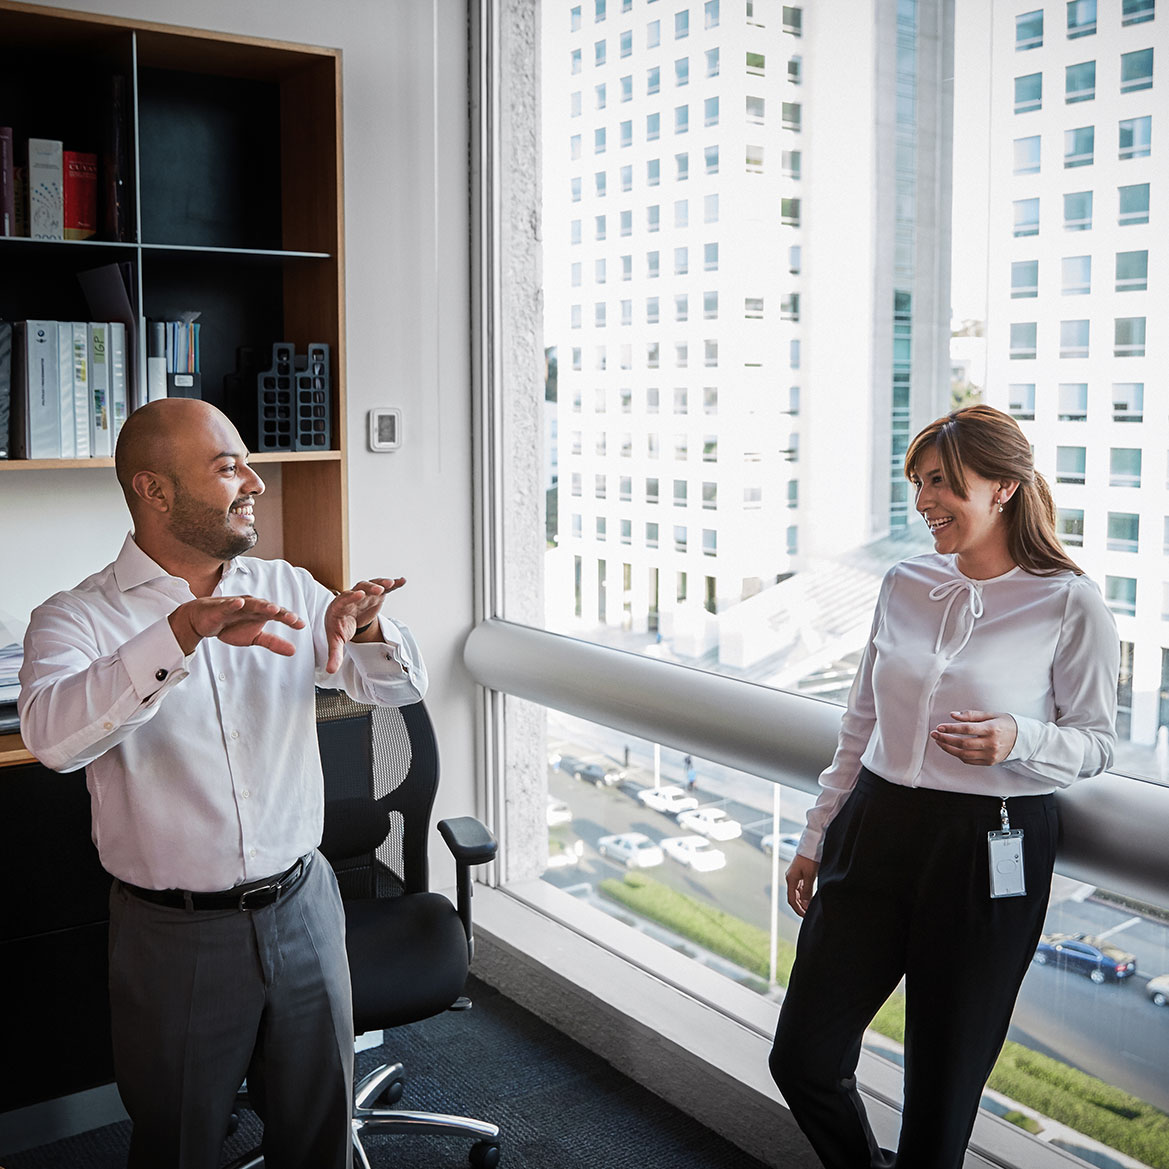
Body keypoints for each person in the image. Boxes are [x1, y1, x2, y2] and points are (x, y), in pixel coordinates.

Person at [18, 398, 428, 1169]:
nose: (256, 483)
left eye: (247, 460)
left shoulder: (290, 585)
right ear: (155, 491)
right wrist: (183, 633)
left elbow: (395, 691)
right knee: (179, 1144)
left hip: (305, 905)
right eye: (227, 465)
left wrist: (366, 630)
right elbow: (53, 740)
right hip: (173, 936)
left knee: (320, 1136)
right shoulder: (75, 619)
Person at [768, 405, 1118, 1169]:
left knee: (940, 1097)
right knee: (802, 1056)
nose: (924, 500)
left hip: (989, 847)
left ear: (1003, 487)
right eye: (919, 483)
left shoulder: (1068, 601)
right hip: (874, 826)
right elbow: (858, 725)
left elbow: (1096, 743)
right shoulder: (903, 582)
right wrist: (814, 833)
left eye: (942, 483)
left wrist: (1016, 738)